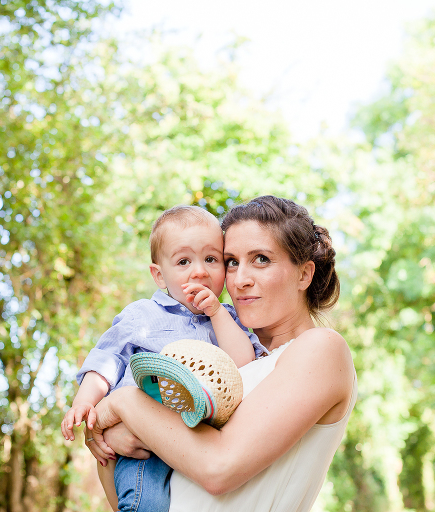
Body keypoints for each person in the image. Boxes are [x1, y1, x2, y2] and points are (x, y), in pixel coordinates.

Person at [83, 195, 357, 512]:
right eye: (231, 262)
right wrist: (109, 442)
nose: (240, 280)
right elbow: (123, 503)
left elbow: (218, 469)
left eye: (262, 259)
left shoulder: (320, 347)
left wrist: (122, 403)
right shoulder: (221, 366)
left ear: (304, 274)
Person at [60, 205, 266, 512]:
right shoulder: (142, 315)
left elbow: (243, 363)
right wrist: (84, 403)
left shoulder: (230, 320)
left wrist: (216, 312)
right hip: (142, 438)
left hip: (199, 440)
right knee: (146, 502)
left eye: (211, 259)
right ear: (159, 275)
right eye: (184, 261)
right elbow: (107, 360)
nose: (199, 271)